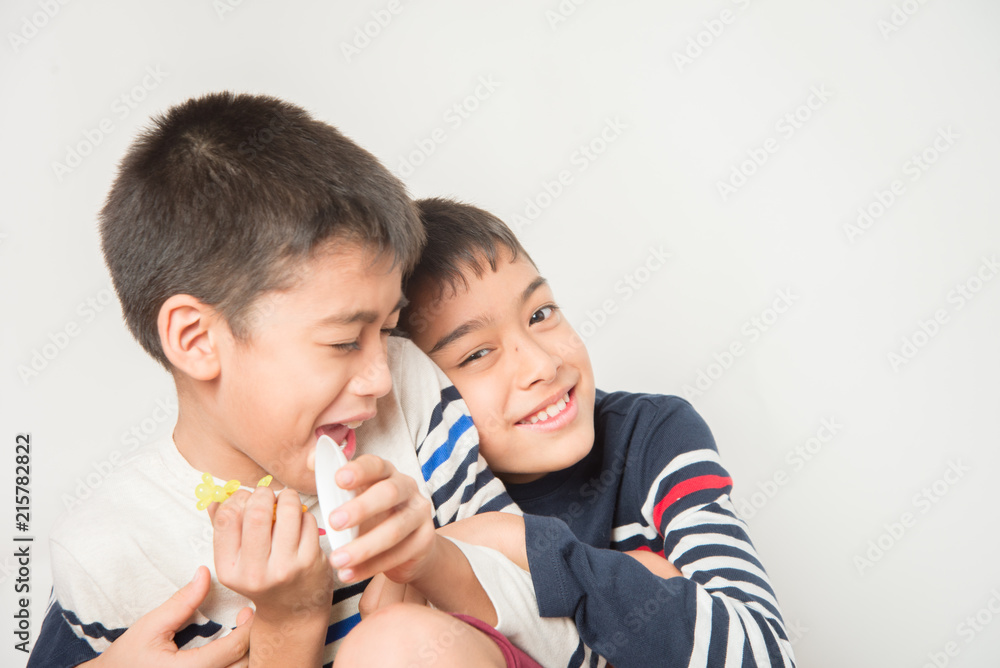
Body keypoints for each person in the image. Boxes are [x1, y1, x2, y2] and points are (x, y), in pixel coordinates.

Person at [27, 93, 586, 668]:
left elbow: (573, 636)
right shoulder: (112, 553)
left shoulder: (409, 395)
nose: (378, 377)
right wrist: (289, 624)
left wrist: (435, 559)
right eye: (344, 342)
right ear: (196, 339)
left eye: (387, 329)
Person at [398, 198, 798, 667]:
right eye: (477, 354)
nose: (543, 364)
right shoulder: (422, 501)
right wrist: (643, 578)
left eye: (540, 314)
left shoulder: (652, 436)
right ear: (418, 394)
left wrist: (521, 543)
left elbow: (763, 655)